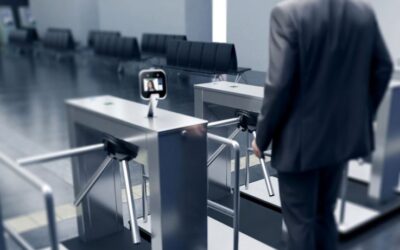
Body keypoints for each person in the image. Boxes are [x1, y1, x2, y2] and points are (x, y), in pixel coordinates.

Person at [252, 0, 393, 250]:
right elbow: (383, 68)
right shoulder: (363, 13)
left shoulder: (287, 13)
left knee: (301, 224)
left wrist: (261, 138)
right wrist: (360, 115)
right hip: (340, 141)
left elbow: (279, 85)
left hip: (299, 146)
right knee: (325, 215)